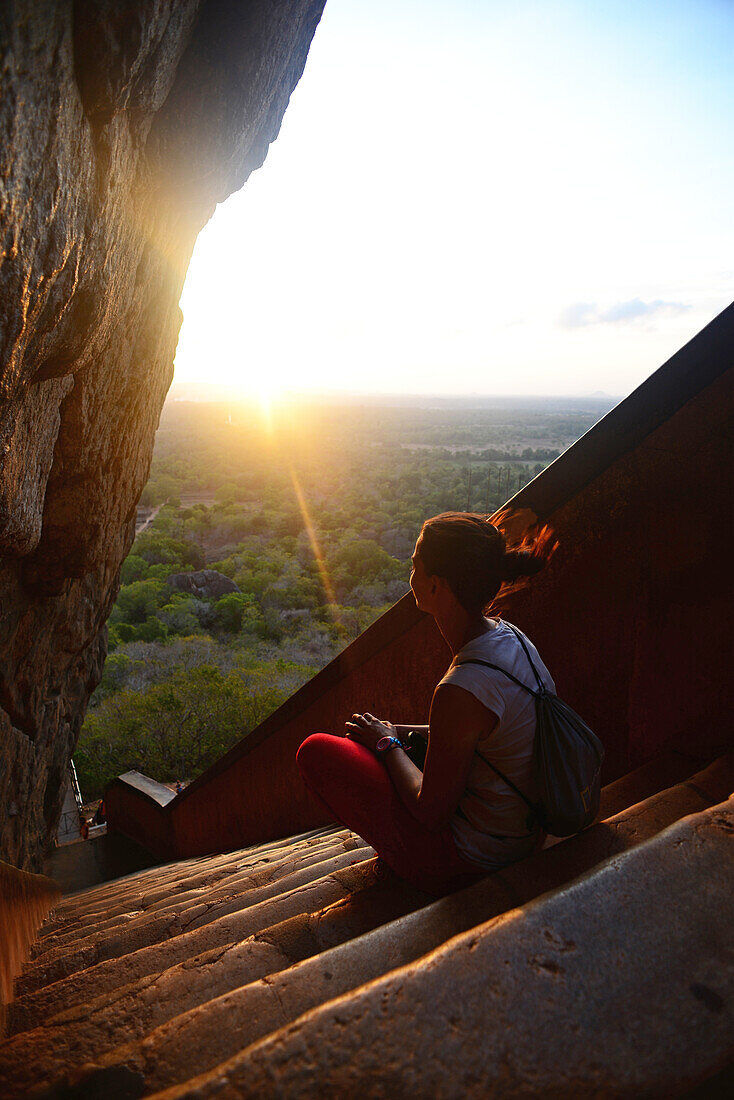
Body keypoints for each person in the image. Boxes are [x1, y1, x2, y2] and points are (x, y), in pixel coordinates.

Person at [296, 511, 557, 896]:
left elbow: (431, 813)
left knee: (317, 752)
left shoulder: (461, 686)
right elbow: (479, 733)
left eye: (415, 565)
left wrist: (387, 745)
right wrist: (397, 732)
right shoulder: (512, 638)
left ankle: (411, 867)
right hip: (525, 832)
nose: (411, 574)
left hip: (473, 859)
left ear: (436, 586)